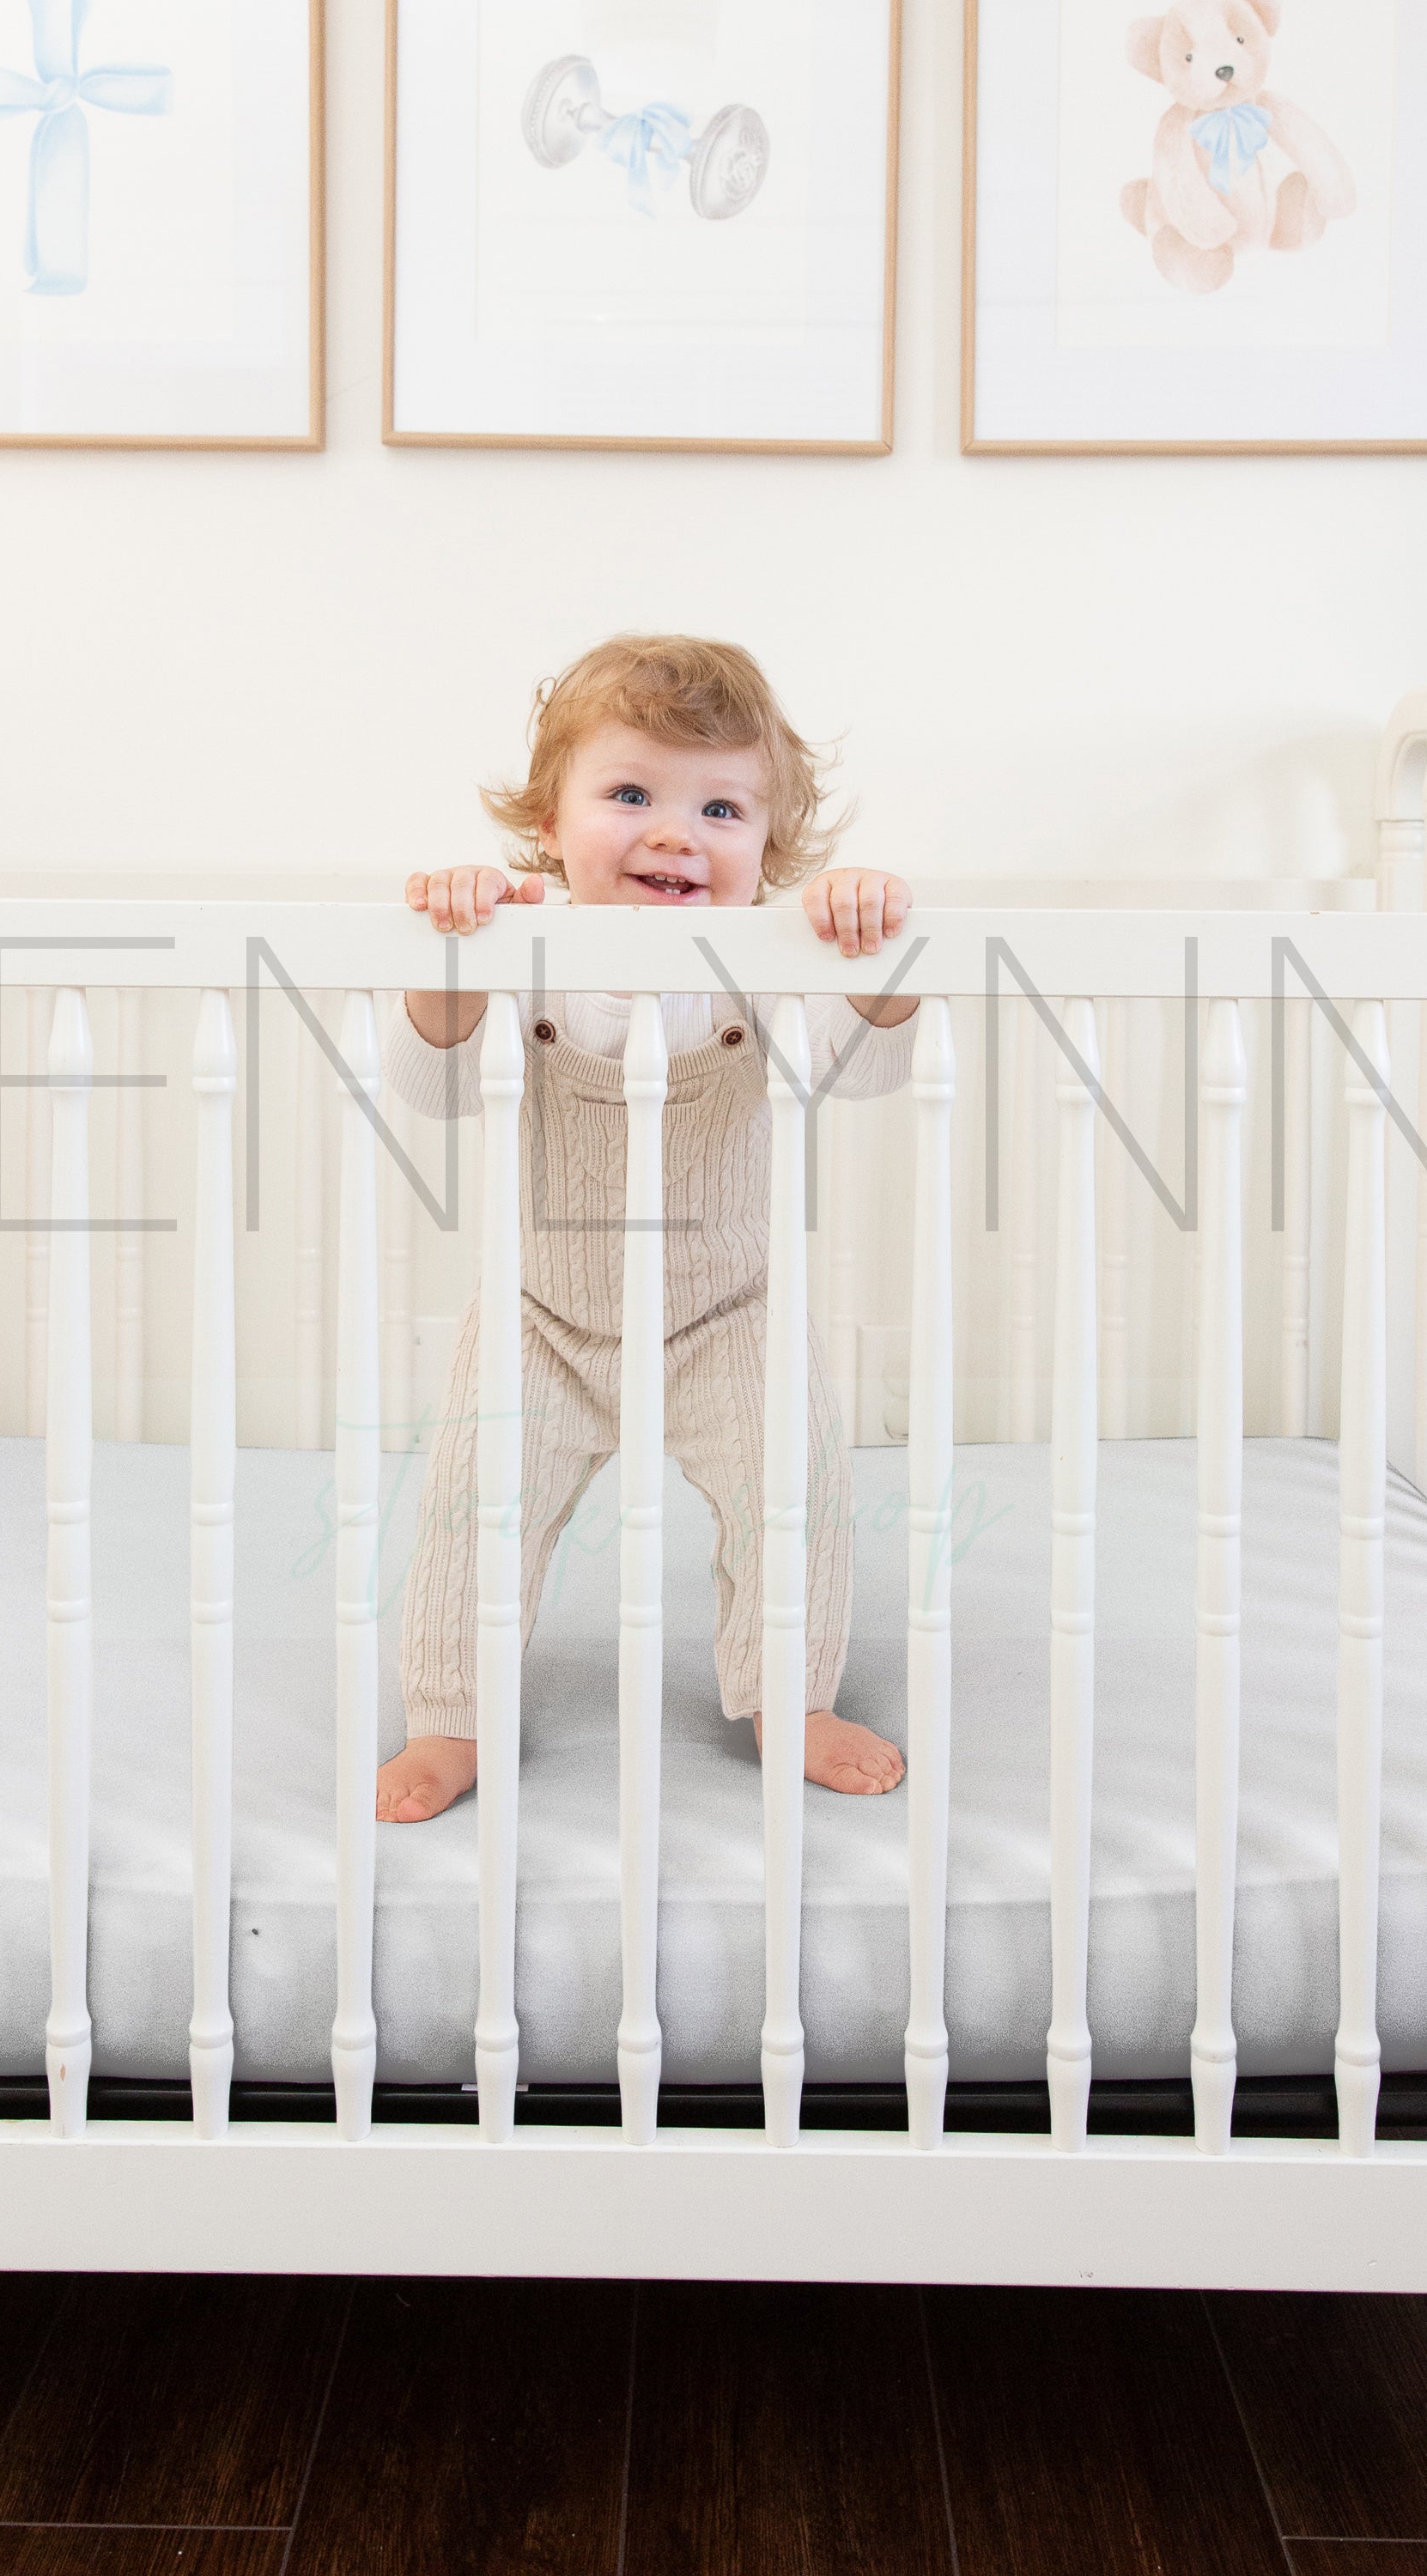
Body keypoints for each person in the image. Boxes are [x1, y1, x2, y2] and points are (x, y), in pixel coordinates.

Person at [375, 634, 919, 1824]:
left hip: (733, 1309)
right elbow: (434, 1085)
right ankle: (450, 1718)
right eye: (630, 795)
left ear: (771, 852)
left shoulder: (776, 964)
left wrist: (879, 952)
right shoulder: (520, 949)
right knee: (474, 1506)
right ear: (547, 821)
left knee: (795, 1492)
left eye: (721, 807)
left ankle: (794, 1695)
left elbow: (869, 1065)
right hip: (542, 1311)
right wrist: (454, 949)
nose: (676, 833)